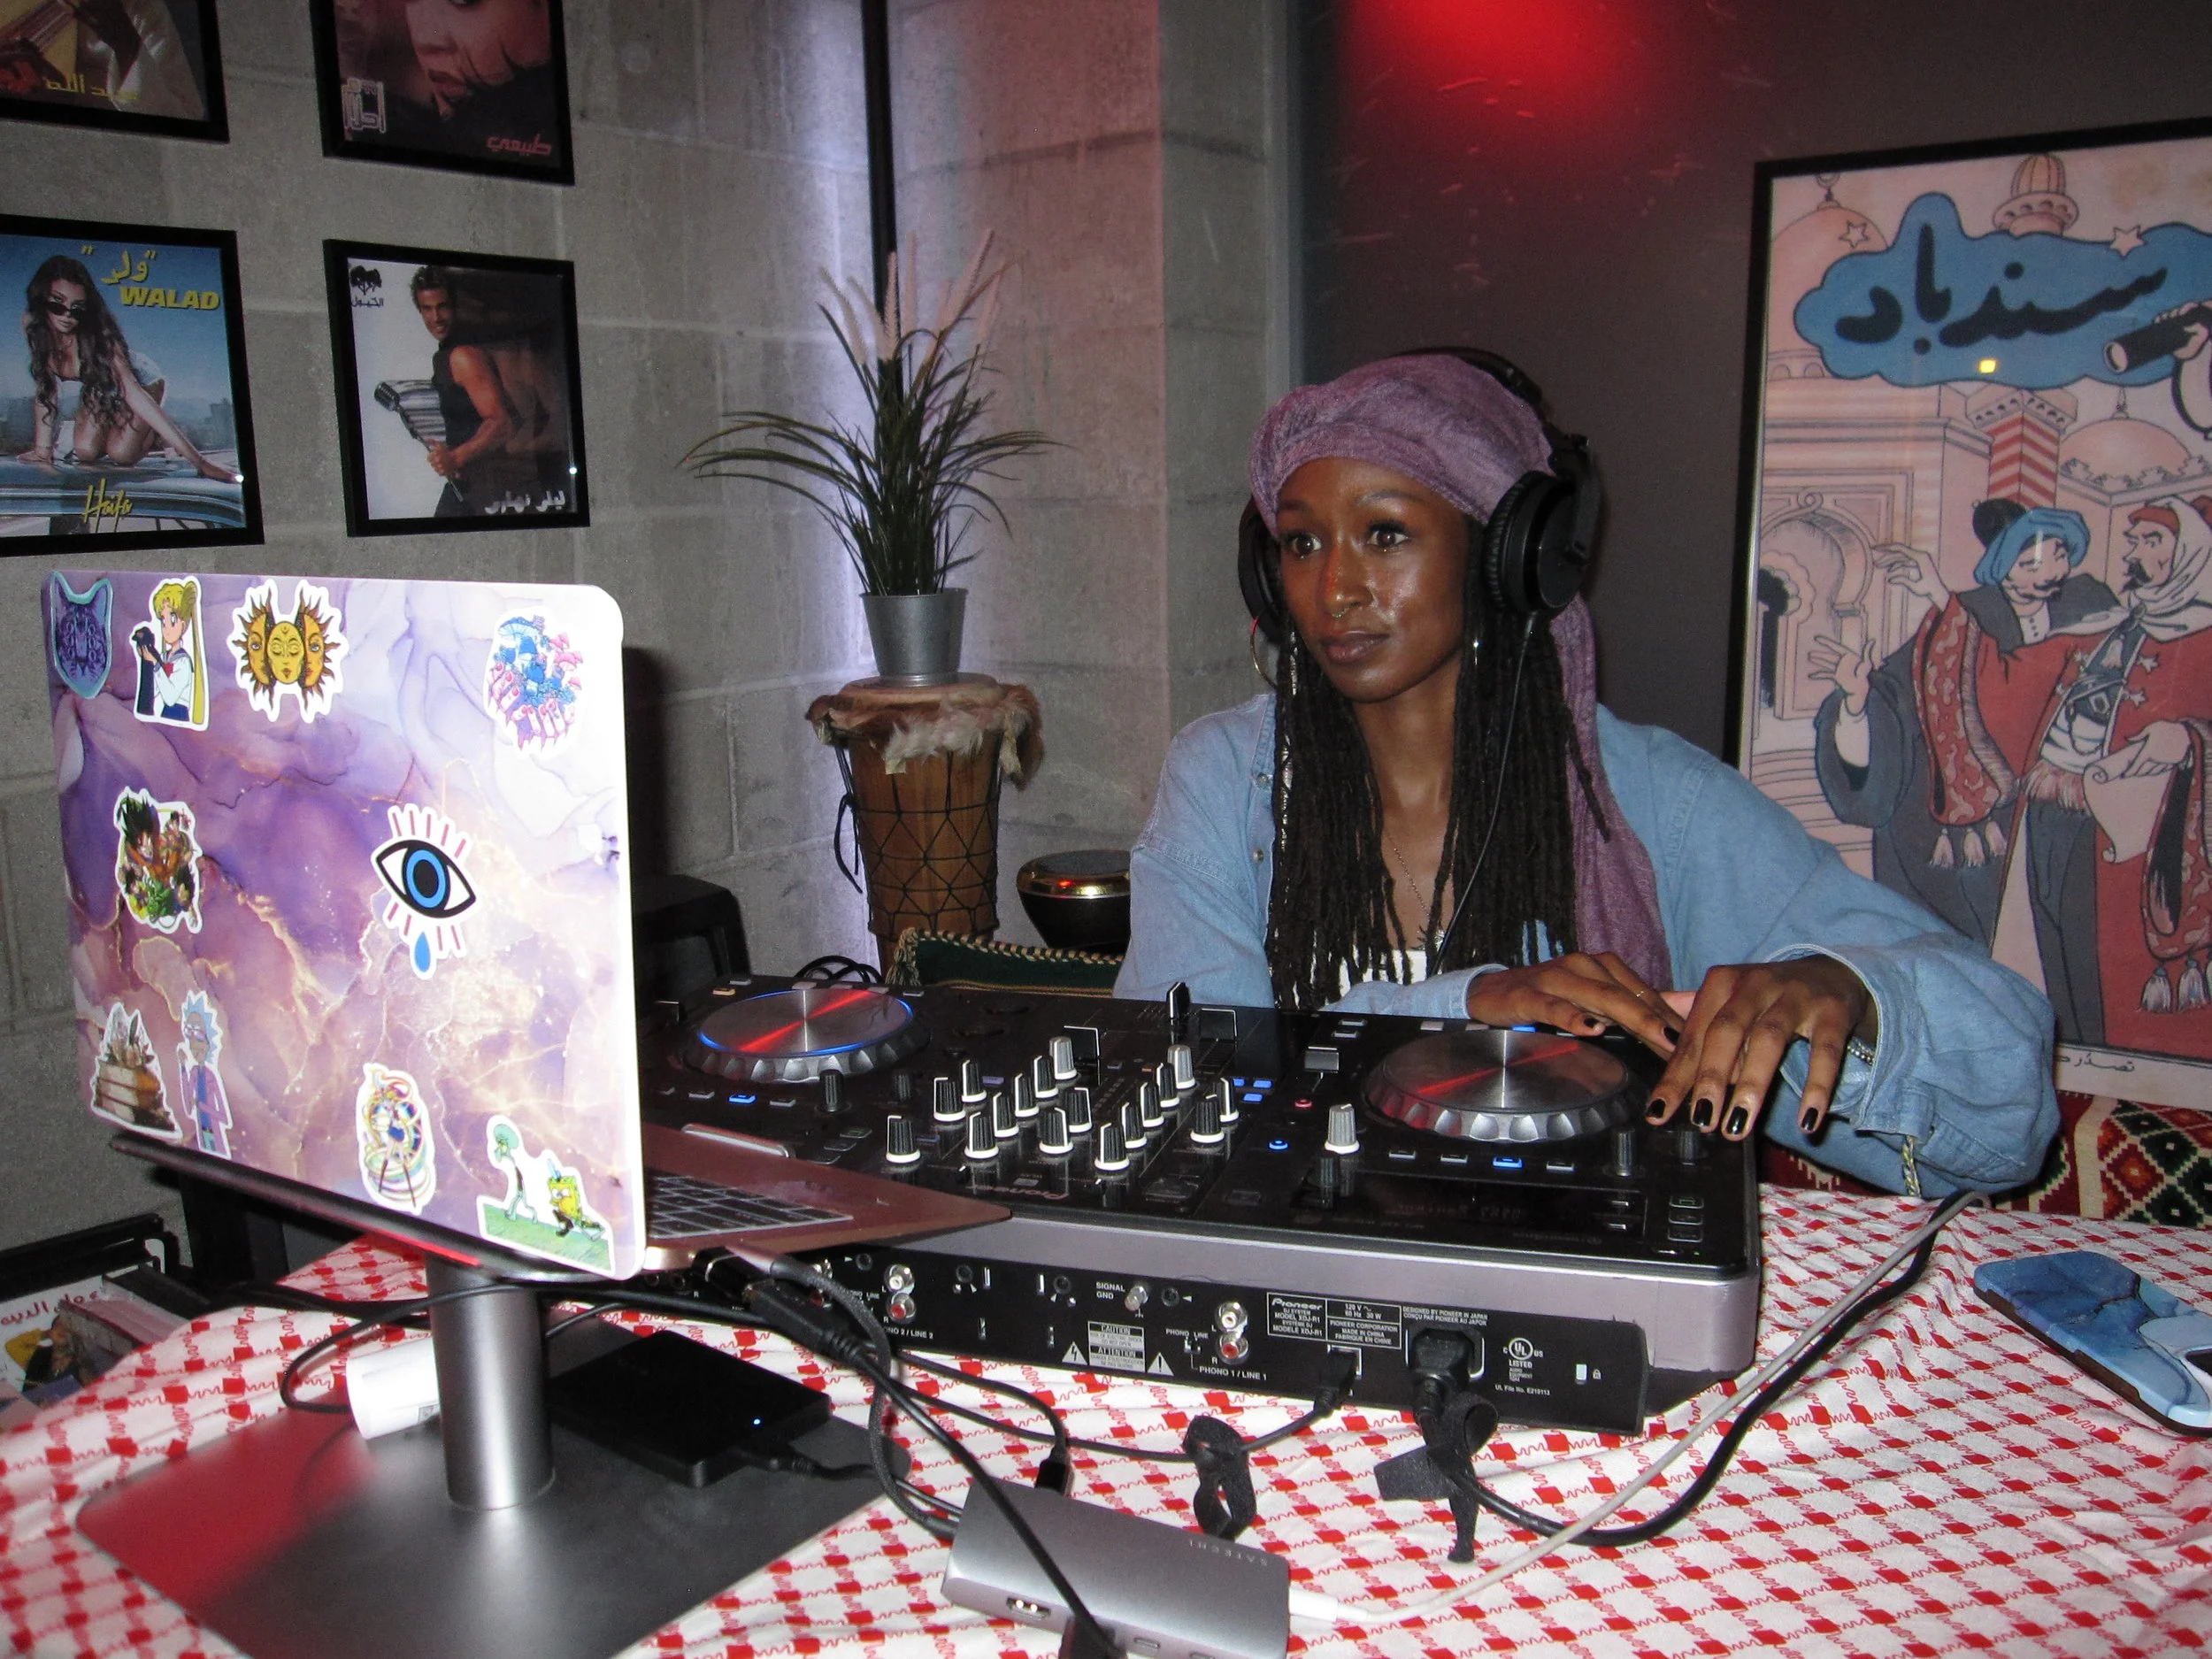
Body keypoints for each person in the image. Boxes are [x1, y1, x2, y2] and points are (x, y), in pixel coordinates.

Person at [1118, 353, 2058, 1197]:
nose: (1335, 590)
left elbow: (2008, 1113)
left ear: (1505, 556)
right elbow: (1182, 1081)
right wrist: (1462, 1010)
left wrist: (1851, 997)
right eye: (1302, 543)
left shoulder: (1654, 804)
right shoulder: (1225, 779)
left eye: (1385, 535)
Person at [1807, 501, 2113, 964]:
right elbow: (1895, 699)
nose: (2051, 573)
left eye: (2059, 555)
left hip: (2063, 810)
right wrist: (1855, 703)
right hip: (1984, 831)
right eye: (2030, 564)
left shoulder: (2088, 602)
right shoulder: (1965, 613)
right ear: (2000, 567)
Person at [16, 255, 235, 482]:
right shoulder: (33, 325)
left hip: (140, 381)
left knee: (122, 454)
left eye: (77, 309)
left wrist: (200, 462)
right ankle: (127, 424)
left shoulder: (101, 340)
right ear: (42, 298)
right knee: (86, 450)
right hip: (101, 385)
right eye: (57, 304)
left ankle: (157, 433)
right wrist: (42, 451)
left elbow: (135, 393)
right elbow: (46, 387)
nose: (67, 315)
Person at [409, 265, 546, 515]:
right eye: (427, 309)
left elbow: (501, 423)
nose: (436, 318)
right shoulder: (452, 353)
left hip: (488, 486)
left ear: (455, 306)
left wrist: (455, 458)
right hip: (473, 484)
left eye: (442, 306)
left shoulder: (463, 355)